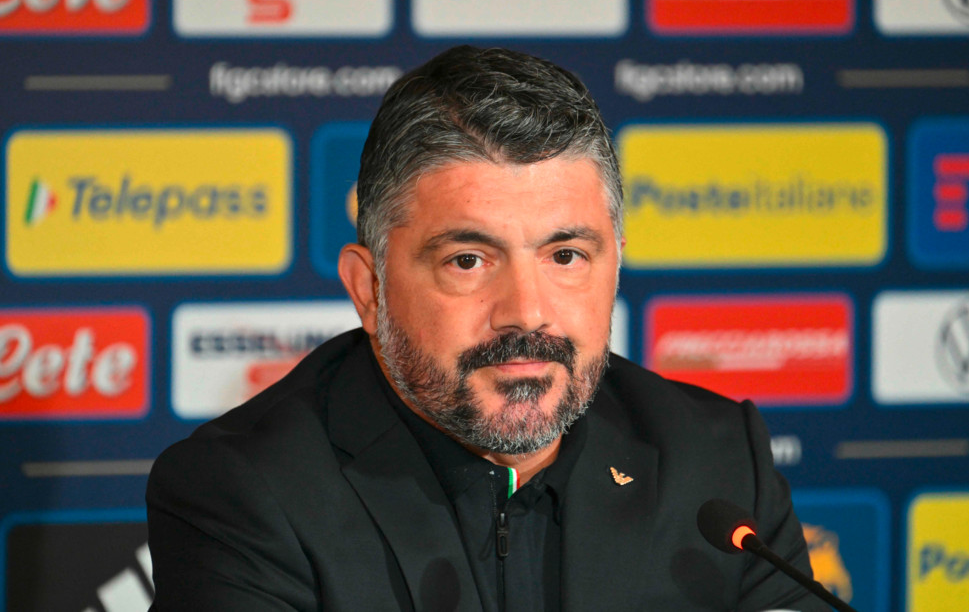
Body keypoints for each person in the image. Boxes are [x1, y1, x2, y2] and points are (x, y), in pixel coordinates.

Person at [146, 46, 824, 611]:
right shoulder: (247, 492)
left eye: (565, 256)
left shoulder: (715, 461)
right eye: (468, 260)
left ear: (615, 264)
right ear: (368, 289)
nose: (526, 311)